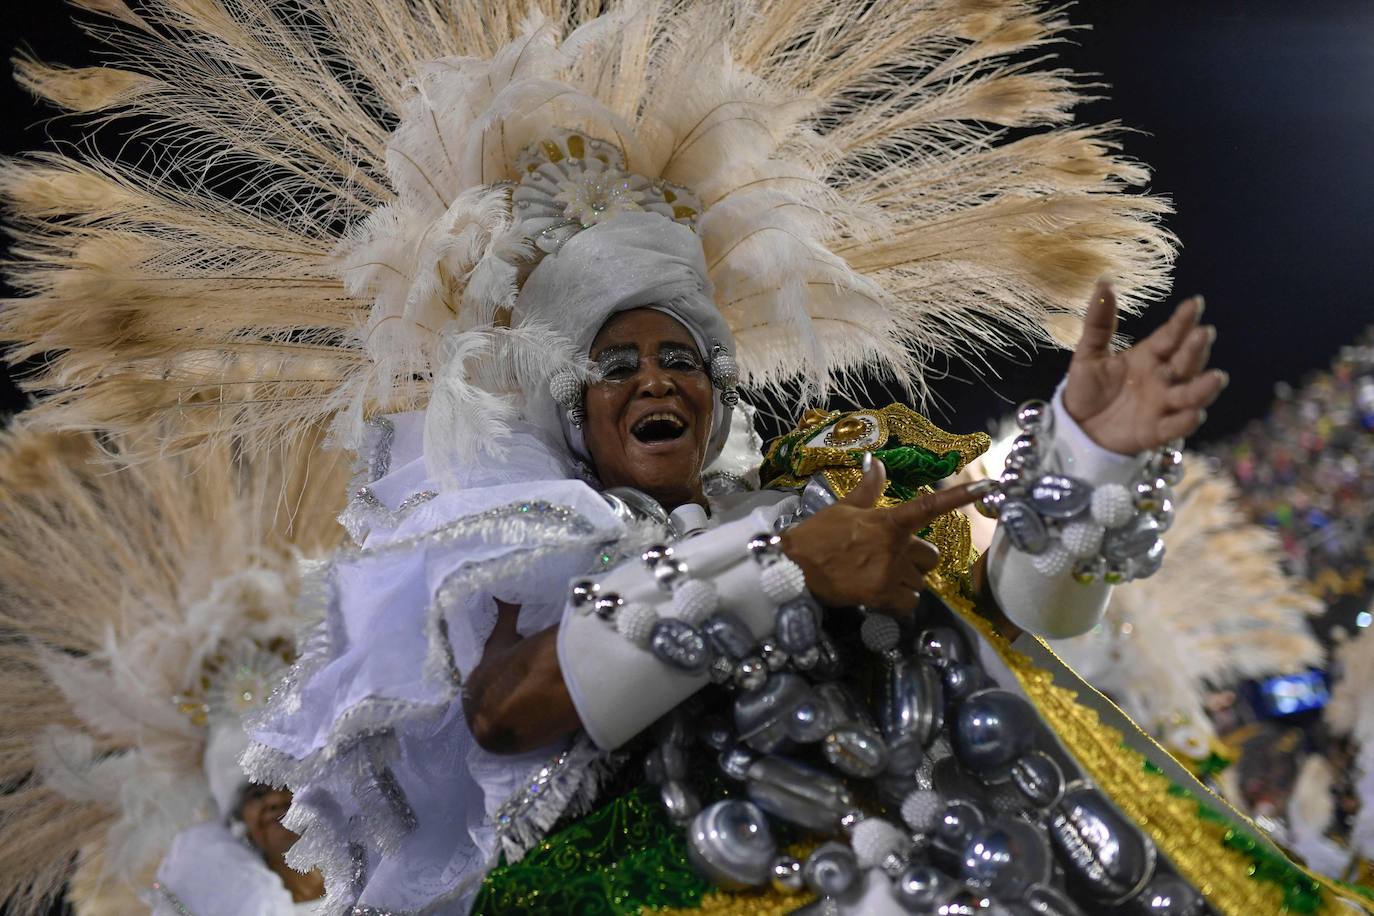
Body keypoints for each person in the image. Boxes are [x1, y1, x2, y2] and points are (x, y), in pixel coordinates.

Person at [3, 1, 1367, 913]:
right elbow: (506, 710)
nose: (659, 379)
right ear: (563, 402)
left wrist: (1088, 455)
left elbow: (1024, 635)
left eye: (684, 361)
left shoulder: (833, 481)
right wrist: (784, 570)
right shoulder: (499, 546)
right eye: (619, 364)